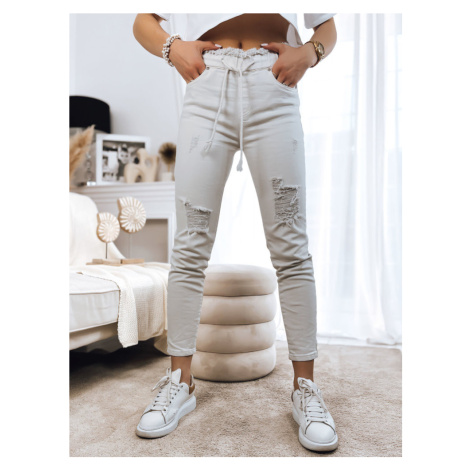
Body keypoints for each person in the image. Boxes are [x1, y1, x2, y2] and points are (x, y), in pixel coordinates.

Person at [132, 13, 338, 452]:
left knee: (290, 246)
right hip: (208, 86)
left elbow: (327, 26)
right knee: (190, 246)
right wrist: (172, 47)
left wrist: (309, 53)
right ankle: (180, 382)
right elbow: (142, 21)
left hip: (273, 84)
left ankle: (305, 389)